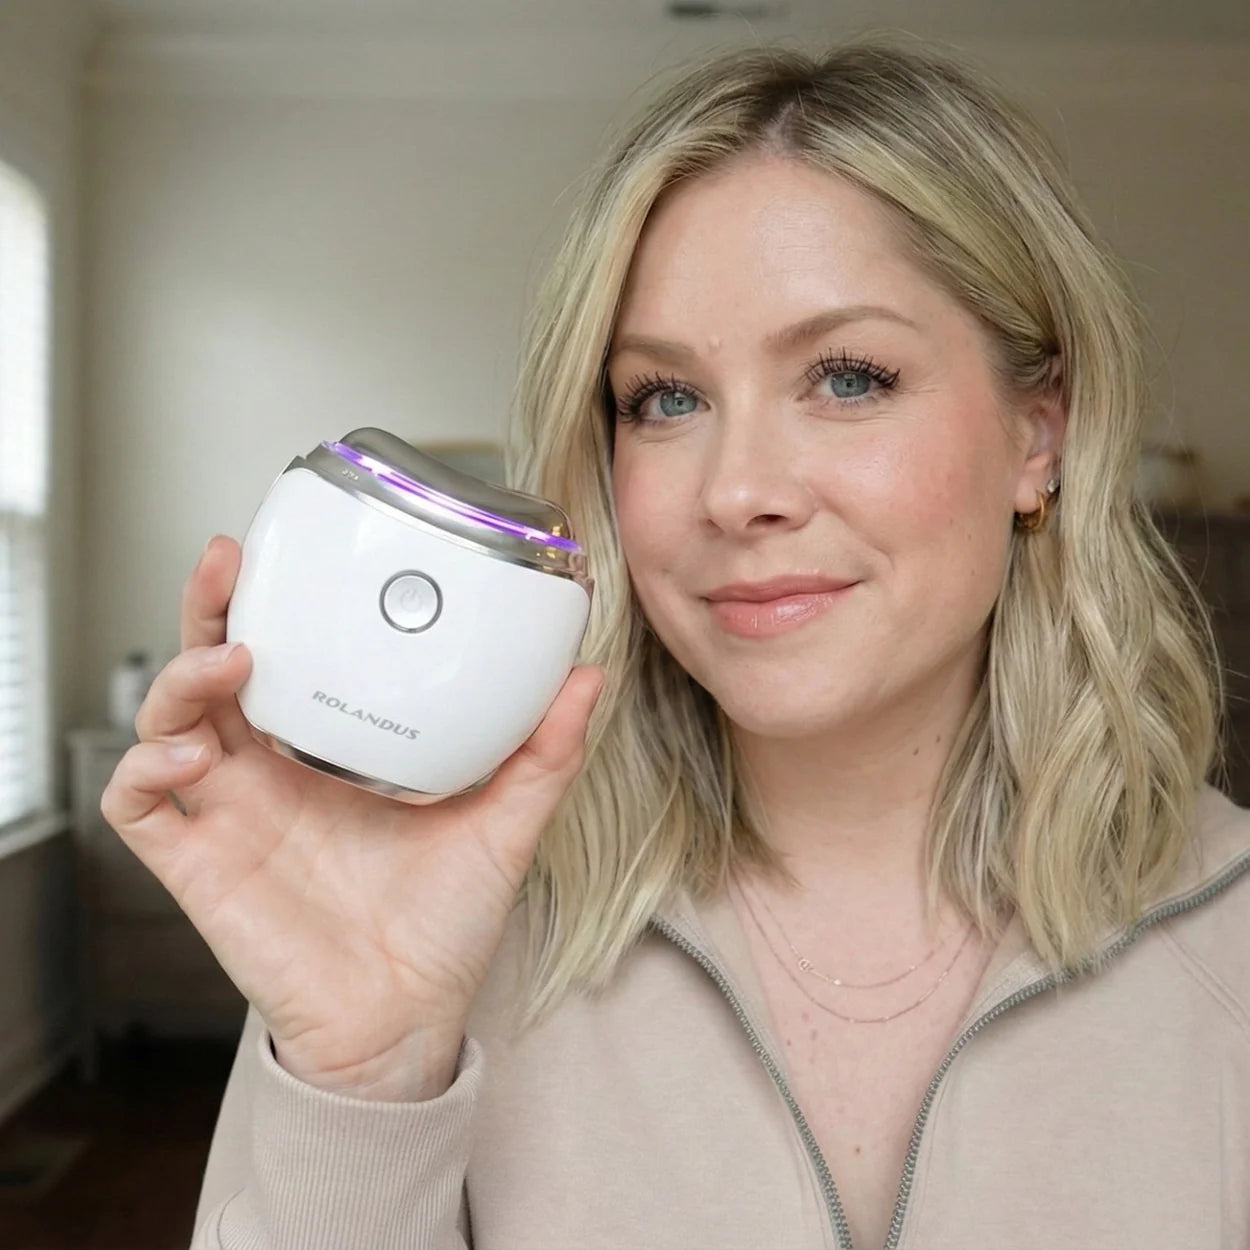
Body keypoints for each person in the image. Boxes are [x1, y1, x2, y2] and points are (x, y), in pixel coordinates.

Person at [101, 33, 1250, 1250]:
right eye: (664, 398)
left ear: (1037, 433)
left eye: (846, 377)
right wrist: (366, 1080)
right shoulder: (440, 931)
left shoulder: (1225, 939)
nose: (735, 490)